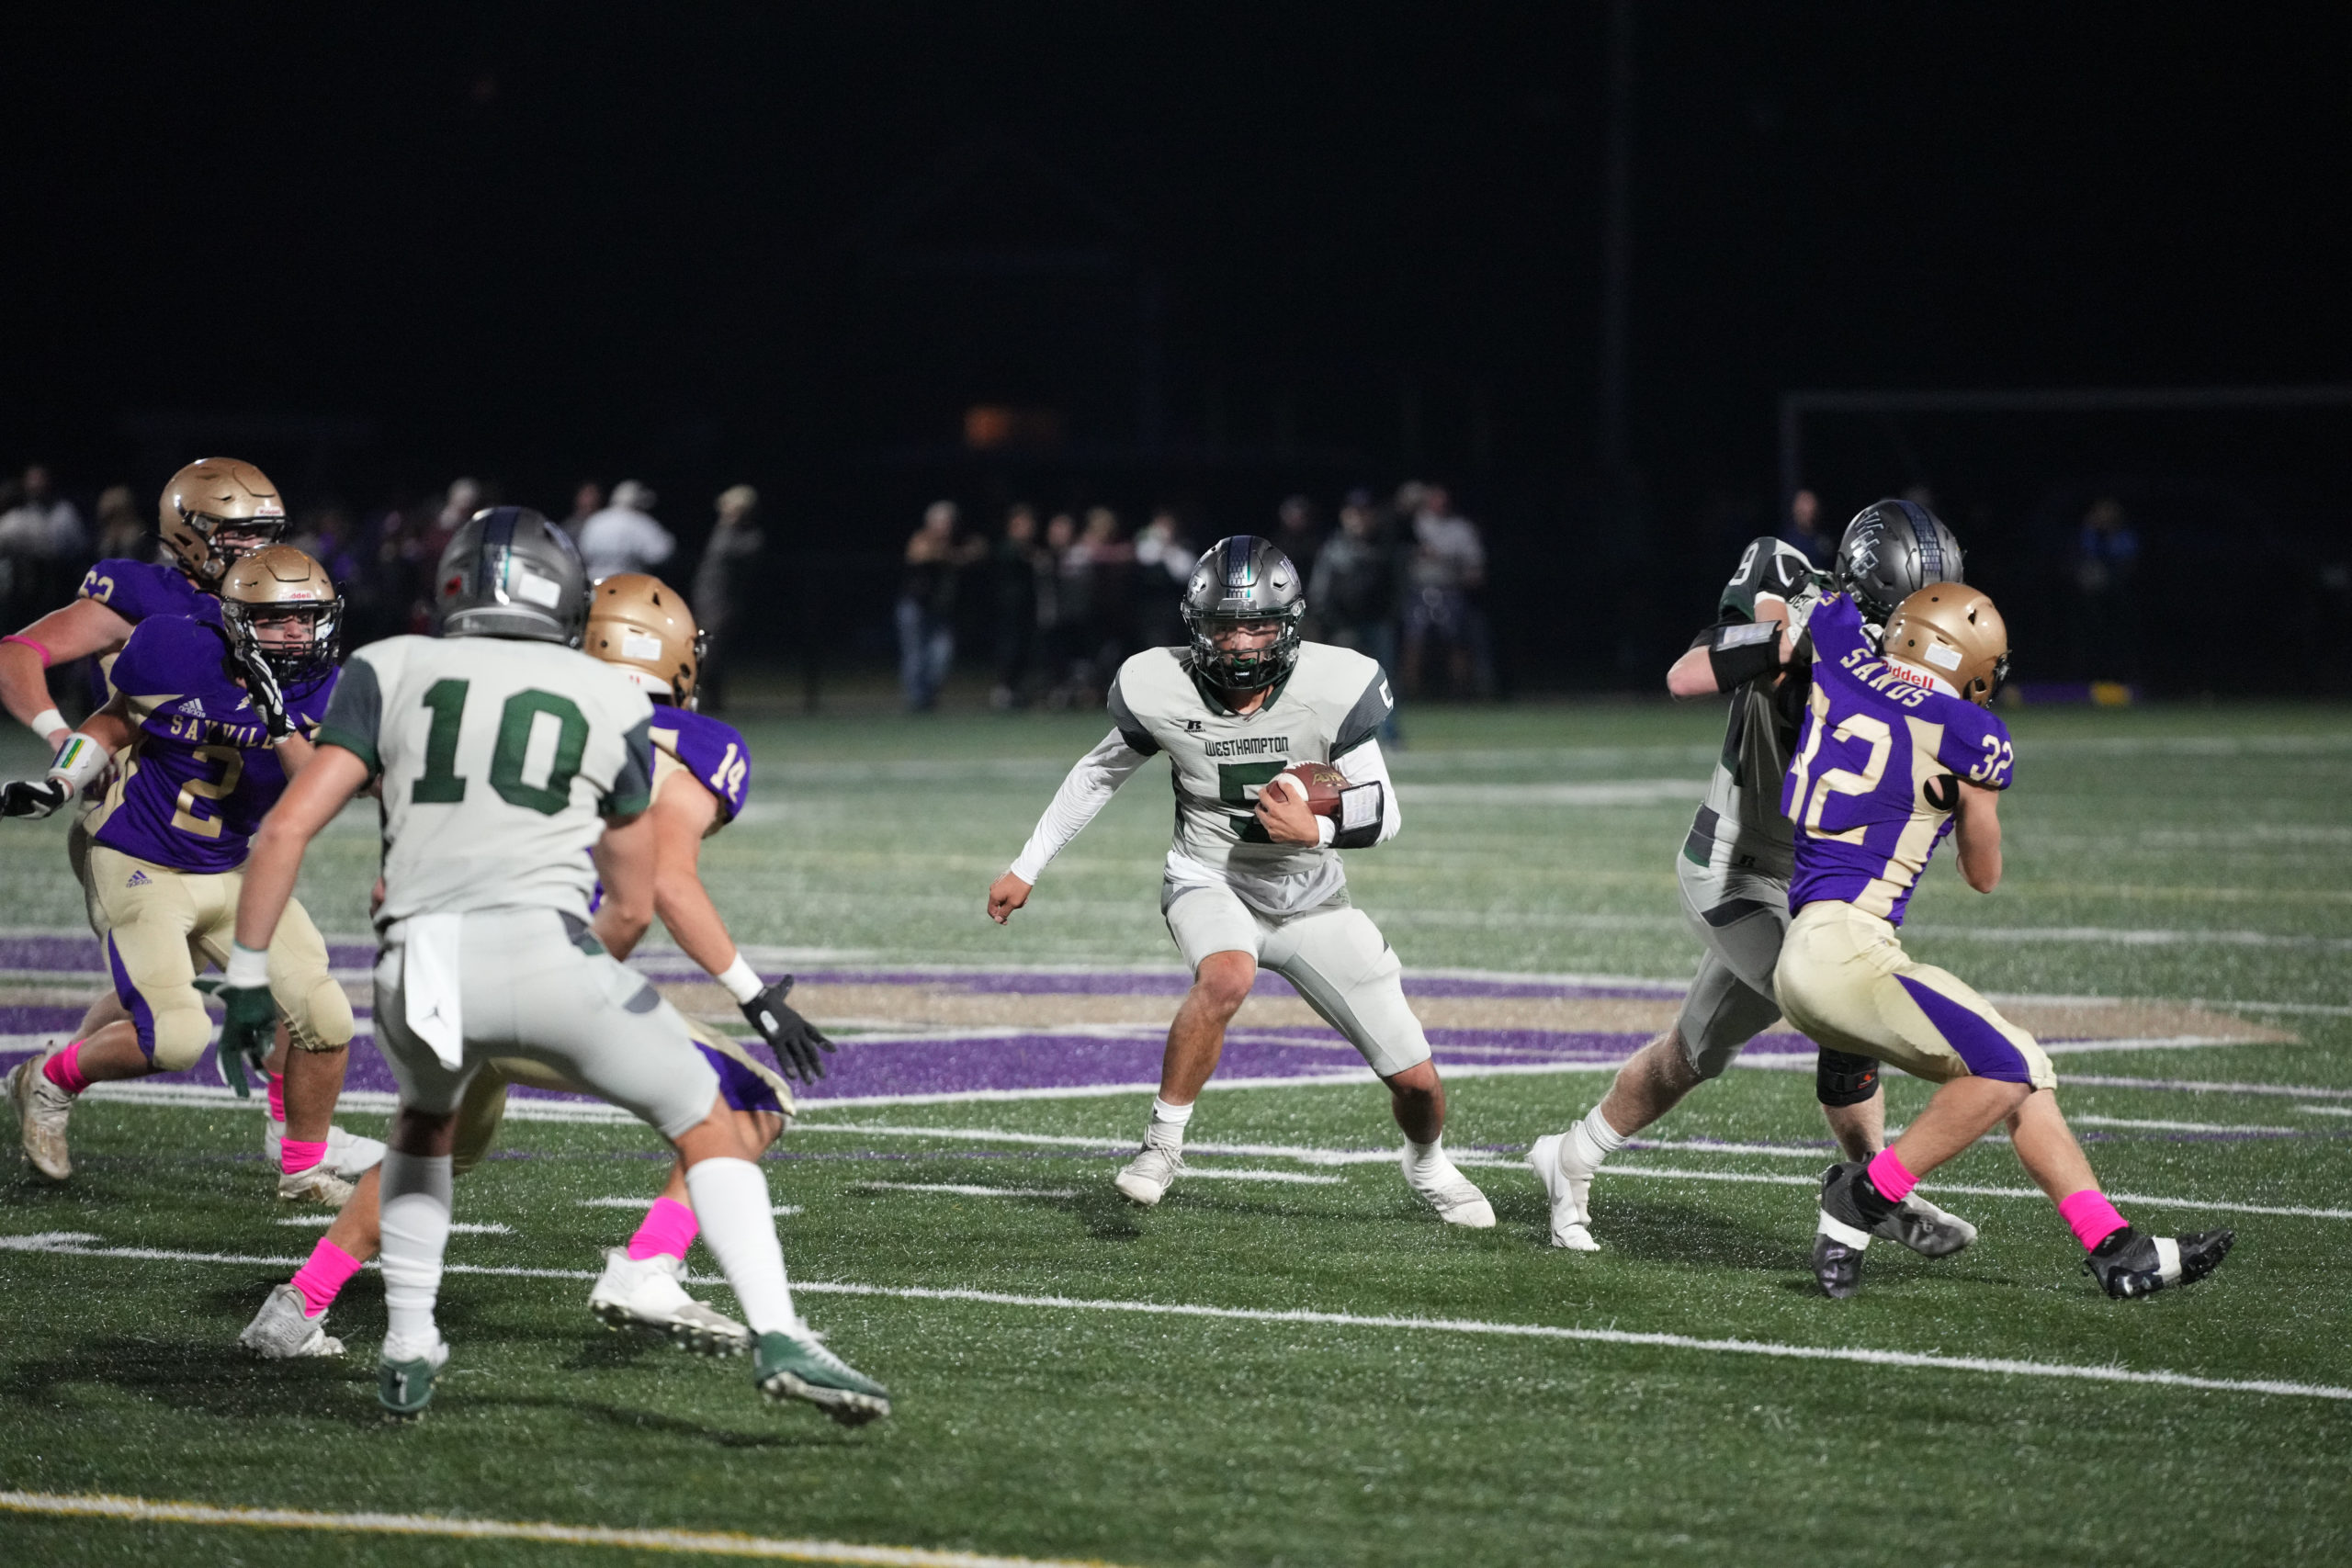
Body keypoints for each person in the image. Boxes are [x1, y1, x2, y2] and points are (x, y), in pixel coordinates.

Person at [211, 507, 884, 1422]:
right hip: (542, 962)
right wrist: (723, 992)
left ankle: (320, 1311)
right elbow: (648, 893)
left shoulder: (398, 667)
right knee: (745, 1105)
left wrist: (251, 975)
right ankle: (699, 1293)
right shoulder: (638, 718)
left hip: (424, 968)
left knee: (430, 1134)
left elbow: (300, 820)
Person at [987, 536, 1494, 1228]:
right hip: (1210, 877)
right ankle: (1163, 1144)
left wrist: (1314, 831)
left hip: (1313, 896)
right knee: (1225, 976)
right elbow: (1098, 772)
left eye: (1258, 623)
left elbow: (1385, 808)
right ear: (1198, 626)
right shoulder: (1159, 683)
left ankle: (1427, 1161)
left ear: (1289, 624)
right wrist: (1028, 863)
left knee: (1417, 1082)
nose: (1242, 641)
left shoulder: (1332, 684)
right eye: (1227, 623)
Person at [1526, 500, 1978, 1254]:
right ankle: (1869, 1184)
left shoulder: (1913, 668)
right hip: (1732, 867)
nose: (1925, 630)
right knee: (1843, 1011)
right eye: (1911, 612)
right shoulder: (1794, 591)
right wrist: (1788, 642)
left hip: (1821, 880)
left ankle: (1570, 1154)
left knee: (1689, 1055)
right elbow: (1686, 674)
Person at [1774, 582, 2235, 1300]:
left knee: (2026, 1067)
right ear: (1975, 664)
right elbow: (1982, 874)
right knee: (2006, 1063)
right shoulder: (1968, 731)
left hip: (1803, 945)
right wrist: (1967, 800)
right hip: (1849, 946)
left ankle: (2114, 1244)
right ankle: (1863, 1198)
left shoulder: (1841, 653)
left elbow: (1821, 607)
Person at [0, 458, 372, 1185]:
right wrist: (59, 749)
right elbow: (42, 666)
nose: (251, 545)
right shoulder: (158, 616)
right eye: (236, 532)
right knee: (171, 1017)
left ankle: (293, 1145)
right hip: (138, 818)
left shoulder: (296, 627)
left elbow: (329, 781)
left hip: (231, 841)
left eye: (265, 530)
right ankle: (57, 1076)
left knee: (279, 993)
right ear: (188, 531)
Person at [1309, 491, 1403, 743]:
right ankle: (1344, 739)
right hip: (1344, 628)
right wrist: (1334, 625)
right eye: (1354, 513)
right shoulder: (1333, 549)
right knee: (1344, 686)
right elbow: (1320, 592)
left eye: (1365, 513)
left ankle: (1390, 737)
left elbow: (1396, 587)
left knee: (1384, 681)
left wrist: (1390, 616)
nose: (1359, 519)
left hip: (1379, 624)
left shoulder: (1385, 546)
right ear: (1344, 515)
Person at [1401, 485, 1490, 698]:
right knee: (1414, 642)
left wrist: (1454, 564)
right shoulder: (1415, 524)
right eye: (1433, 500)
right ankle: (1411, 692)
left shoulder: (1461, 528)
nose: (1438, 505)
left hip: (1450, 589)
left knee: (1456, 642)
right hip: (1419, 589)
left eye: (1442, 500)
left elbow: (1475, 566)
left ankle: (1459, 691)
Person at [896, 500, 981, 711]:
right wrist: (953, 555)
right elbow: (919, 553)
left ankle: (929, 696)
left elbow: (979, 548)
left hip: (941, 611)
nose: (945, 527)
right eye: (941, 523)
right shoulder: (921, 539)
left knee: (942, 655)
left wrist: (958, 554)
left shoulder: (958, 541)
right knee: (915, 655)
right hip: (915, 608)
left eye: (948, 523)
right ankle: (918, 701)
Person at [690, 484, 763, 712]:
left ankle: (706, 702)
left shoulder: (747, 538)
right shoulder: (723, 530)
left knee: (710, 653)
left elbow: (742, 553)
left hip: (722, 602)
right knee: (705, 650)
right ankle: (708, 702)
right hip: (706, 598)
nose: (725, 511)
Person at [0, 465, 89, 625]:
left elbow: (79, 546)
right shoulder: (18, 517)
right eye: (32, 481)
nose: (37, 486)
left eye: (40, 480)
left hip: (60, 585)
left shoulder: (65, 513)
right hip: (24, 591)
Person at [989, 504, 1044, 708]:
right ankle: (1004, 689)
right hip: (1009, 611)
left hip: (1027, 611)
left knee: (1026, 650)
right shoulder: (1007, 548)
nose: (1029, 529)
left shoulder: (1030, 549)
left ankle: (1018, 690)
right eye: (1023, 524)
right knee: (1010, 649)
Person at [578, 479, 675, 581]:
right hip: (628, 585)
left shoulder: (596, 520)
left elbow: (582, 552)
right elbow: (661, 554)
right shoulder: (638, 521)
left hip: (596, 584)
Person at [1779, 487, 1833, 568]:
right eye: (1803, 512)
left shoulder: (1823, 541)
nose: (1809, 516)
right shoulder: (1787, 543)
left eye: (1812, 511)